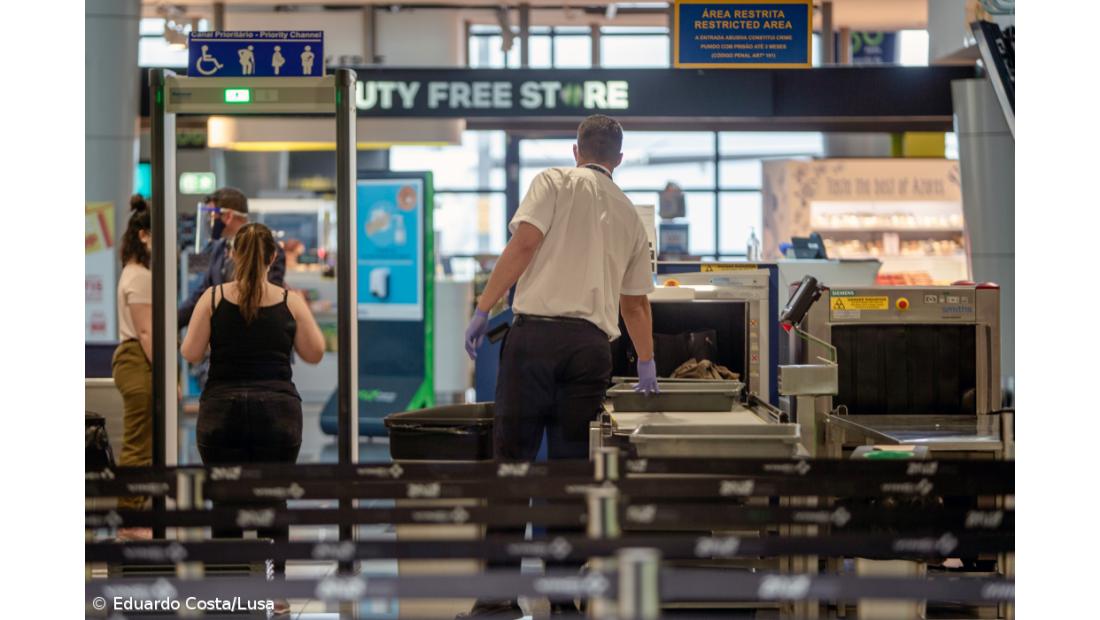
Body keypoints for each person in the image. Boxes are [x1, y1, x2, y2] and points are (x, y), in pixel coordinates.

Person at [461, 114, 658, 617]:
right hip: (591, 349)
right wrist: (648, 363)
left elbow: (523, 245)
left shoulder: (552, 181)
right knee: (571, 472)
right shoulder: (632, 216)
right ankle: (563, 596)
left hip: (534, 341)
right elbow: (635, 304)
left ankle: (499, 595)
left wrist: (485, 307)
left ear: (577, 151)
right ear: (618, 159)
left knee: (513, 466)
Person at [180, 223, 325, 582]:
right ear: (273, 258)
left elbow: (191, 352)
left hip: (220, 414)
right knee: (274, 504)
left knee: (225, 504)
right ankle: (274, 592)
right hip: (277, 414)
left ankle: (228, 591)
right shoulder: (291, 300)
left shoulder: (212, 298)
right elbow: (315, 353)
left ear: (232, 255)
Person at [178, 187, 286, 328]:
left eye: (212, 215)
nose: (209, 221)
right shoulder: (219, 248)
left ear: (228, 216)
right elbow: (202, 294)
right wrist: (173, 322)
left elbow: (268, 297)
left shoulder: (267, 248)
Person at [112, 196, 155, 539]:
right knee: (138, 443)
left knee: (141, 440)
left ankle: (136, 516)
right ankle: (130, 519)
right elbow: (145, 332)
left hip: (133, 358)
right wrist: (168, 376)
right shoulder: (140, 276)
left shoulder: (133, 271)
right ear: (143, 235)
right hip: (137, 359)